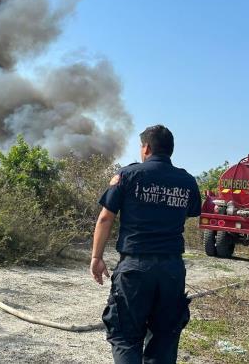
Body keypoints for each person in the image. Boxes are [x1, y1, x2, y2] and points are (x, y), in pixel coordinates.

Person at [90, 125, 201, 364]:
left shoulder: (128, 176)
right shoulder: (188, 181)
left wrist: (96, 258)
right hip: (172, 271)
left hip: (134, 268)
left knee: (126, 337)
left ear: (147, 148)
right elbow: (187, 213)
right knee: (164, 338)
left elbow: (105, 218)